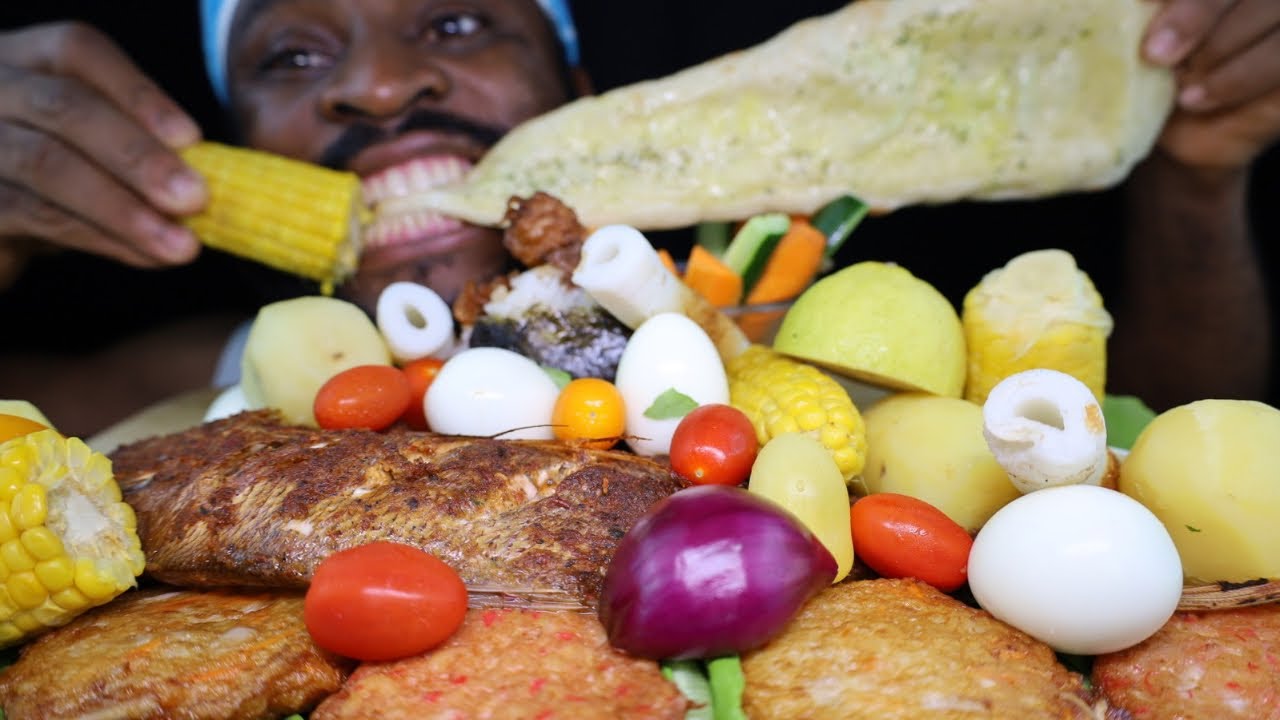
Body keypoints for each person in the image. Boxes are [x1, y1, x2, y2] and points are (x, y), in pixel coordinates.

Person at [0, 0, 1274, 437]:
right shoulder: (214, 389)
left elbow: (1137, 434)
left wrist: (1196, 174)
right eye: (289, 57)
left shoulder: (762, 321)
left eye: (454, 24)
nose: (379, 88)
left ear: (584, 98)